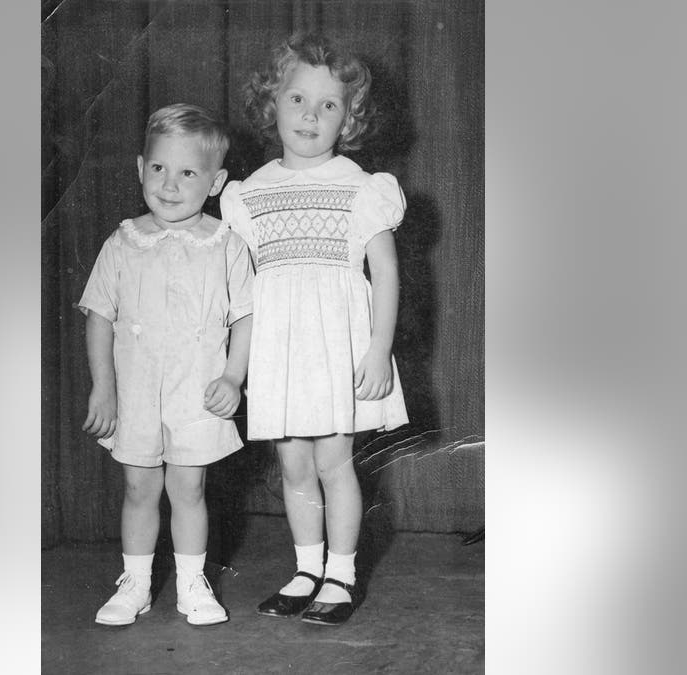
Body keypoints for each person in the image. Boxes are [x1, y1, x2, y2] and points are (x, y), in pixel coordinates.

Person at [220, 33, 409, 627]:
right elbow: (239, 287)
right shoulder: (246, 197)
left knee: (334, 464)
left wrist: (379, 350)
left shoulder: (361, 188)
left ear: (349, 118)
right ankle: (306, 568)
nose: (311, 115)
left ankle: (342, 576)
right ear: (270, 105)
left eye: (329, 105)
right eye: (297, 99)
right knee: (294, 468)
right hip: (280, 353)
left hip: (338, 353)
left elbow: (386, 274)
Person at [78, 103, 254, 627]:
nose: (170, 184)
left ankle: (193, 582)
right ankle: (134, 583)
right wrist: (102, 389)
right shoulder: (122, 242)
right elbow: (99, 318)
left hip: (195, 392)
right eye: (158, 168)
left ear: (216, 181)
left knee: (189, 488)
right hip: (135, 393)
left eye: (188, 173)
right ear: (139, 168)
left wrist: (233, 376)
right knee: (139, 488)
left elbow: (246, 317)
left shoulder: (226, 245)